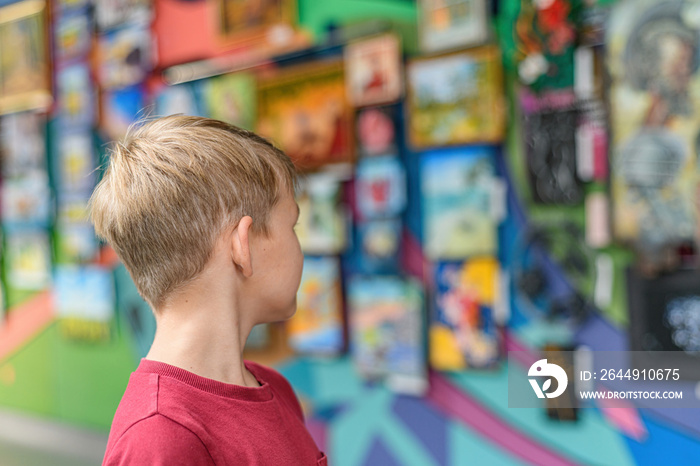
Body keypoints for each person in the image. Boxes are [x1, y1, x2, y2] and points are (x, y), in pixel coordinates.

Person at [91, 115, 327, 465]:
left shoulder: (277, 389)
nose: (298, 245)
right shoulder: (159, 439)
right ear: (242, 246)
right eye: (292, 224)